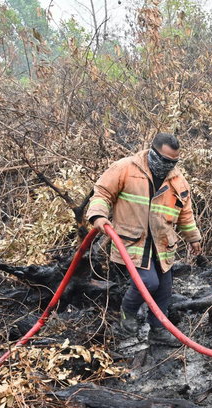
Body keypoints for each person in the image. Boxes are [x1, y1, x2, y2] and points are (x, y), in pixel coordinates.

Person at [87, 133, 203, 346]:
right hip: (132, 242)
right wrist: (98, 216)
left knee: (164, 289)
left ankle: (158, 331)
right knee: (148, 282)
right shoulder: (126, 168)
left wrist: (193, 237)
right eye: (165, 160)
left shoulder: (177, 180)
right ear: (153, 152)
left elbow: (185, 213)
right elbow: (102, 193)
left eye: (173, 162)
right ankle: (127, 315)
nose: (168, 166)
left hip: (162, 245)